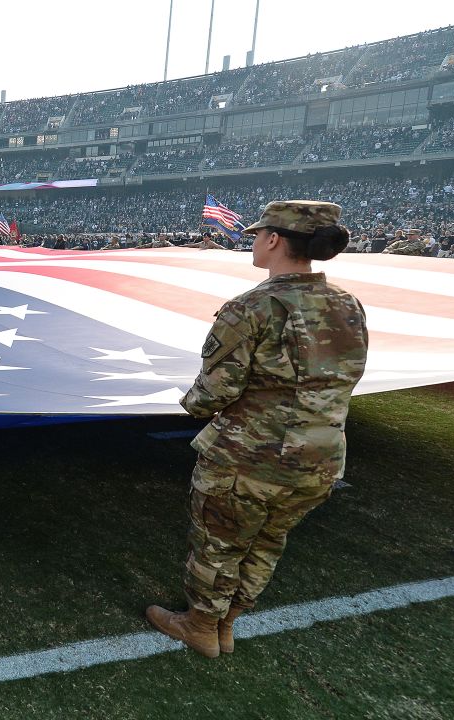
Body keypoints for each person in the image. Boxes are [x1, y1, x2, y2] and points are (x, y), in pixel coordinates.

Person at [146, 200, 369, 658]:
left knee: (218, 544)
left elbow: (212, 394)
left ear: (274, 240)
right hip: (320, 458)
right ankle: (227, 624)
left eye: (258, 234)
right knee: (268, 543)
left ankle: (201, 626)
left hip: (250, 458)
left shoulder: (253, 308)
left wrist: (188, 403)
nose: (254, 242)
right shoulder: (347, 305)